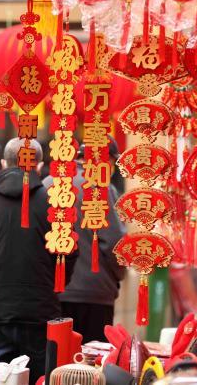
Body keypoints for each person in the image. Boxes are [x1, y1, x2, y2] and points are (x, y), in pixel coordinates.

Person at [0, 138, 76, 385]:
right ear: (39, 166)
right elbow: (68, 254)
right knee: (39, 377)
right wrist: (53, 283)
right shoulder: (55, 203)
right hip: (40, 308)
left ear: (3, 163)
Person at [43, 137, 127, 343]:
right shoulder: (99, 187)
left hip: (51, 291)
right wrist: (118, 276)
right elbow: (115, 243)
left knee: (56, 360)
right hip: (93, 292)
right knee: (90, 363)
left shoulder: (47, 183)